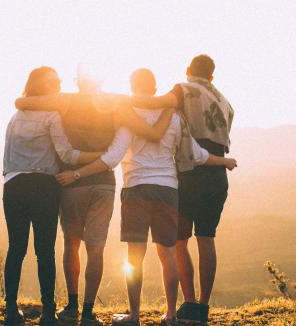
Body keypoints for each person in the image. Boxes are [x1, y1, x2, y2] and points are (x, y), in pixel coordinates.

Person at [57, 68, 236, 326]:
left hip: (136, 188)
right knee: (168, 254)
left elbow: (112, 157)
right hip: (168, 190)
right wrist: (224, 161)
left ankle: (134, 315)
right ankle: (171, 315)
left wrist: (77, 173)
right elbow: (196, 154)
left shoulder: (129, 116)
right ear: (154, 89)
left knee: (135, 256)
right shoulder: (174, 117)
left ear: (132, 87)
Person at [14, 71, 174, 325]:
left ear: (78, 81)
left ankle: (72, 307)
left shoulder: (64, 100)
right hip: (104, 183)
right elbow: (150, 113)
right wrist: (169, 101)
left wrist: (22, 102)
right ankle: (89, 312)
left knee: (71, 244)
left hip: (71, 183)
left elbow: (23, 103)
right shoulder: (114, 102)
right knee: (95, 248)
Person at [131, 54, 235, 324]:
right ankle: (202, 307)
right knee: (207, 238)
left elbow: (154, 103)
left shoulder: (183, 89)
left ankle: (187, 303)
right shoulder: (225, 102)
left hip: (190, 171)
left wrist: (119, 103)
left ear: (189, 70)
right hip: (217, 174)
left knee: (179, 240)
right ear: (212, 75)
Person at [2, 66, 103, 326]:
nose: (59, 84)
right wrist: (99, 156)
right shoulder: (52, 116)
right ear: (44, 87)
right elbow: (67, 155)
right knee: (44, 251)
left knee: (16, 249)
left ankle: (11, 311)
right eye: (54, 81)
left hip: (13, 185)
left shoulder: (15, 117)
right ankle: (48, 312)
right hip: (44, 187)